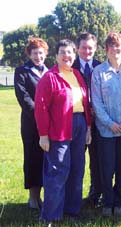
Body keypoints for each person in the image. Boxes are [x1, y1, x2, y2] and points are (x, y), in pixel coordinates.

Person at [34, 39, 92, 226]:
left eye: (70, 52)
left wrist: (88, 127)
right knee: (57, 171)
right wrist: (43, 135)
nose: (67, 56)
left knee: (77, 169)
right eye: (63, 52)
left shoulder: (77, 74)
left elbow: (85, 103)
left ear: (74, 55)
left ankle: (72, 209)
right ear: (56, 56)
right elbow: (41, 108)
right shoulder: (49, 77)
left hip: (80, 124)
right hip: (58, 129)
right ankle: (50, 215)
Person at [92, 32, 121, 217]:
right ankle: (108, 202)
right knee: (106, 167)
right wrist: (110, 124)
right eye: (111, 46)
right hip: (106, 130)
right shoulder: (99, 73)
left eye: (118, 45)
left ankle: (120, 202)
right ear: (106, 50)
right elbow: (96, 102)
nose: (115, 49)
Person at [14, 37, 49, 210]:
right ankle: (33, 197)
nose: (38, 56)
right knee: (33, 159)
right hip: (31, 124)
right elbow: (24, 97)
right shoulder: (22, 71)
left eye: (41, 53)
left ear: (46, 54)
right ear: (29, 54)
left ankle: (47, 195)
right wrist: (41, 115)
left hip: (50, 125)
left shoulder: (50, 72)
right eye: (34, 53)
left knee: (47, 160)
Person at [72, 32, 102, 207]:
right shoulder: (70, 67)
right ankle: (73, 196)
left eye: (90, 47)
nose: (87, 51)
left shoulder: (101, 66)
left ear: (95, 48)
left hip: (98, 122)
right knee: (76, 160)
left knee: (97, 160)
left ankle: (95, 194)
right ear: (78, 48)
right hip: (76, 121)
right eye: (83, 47)